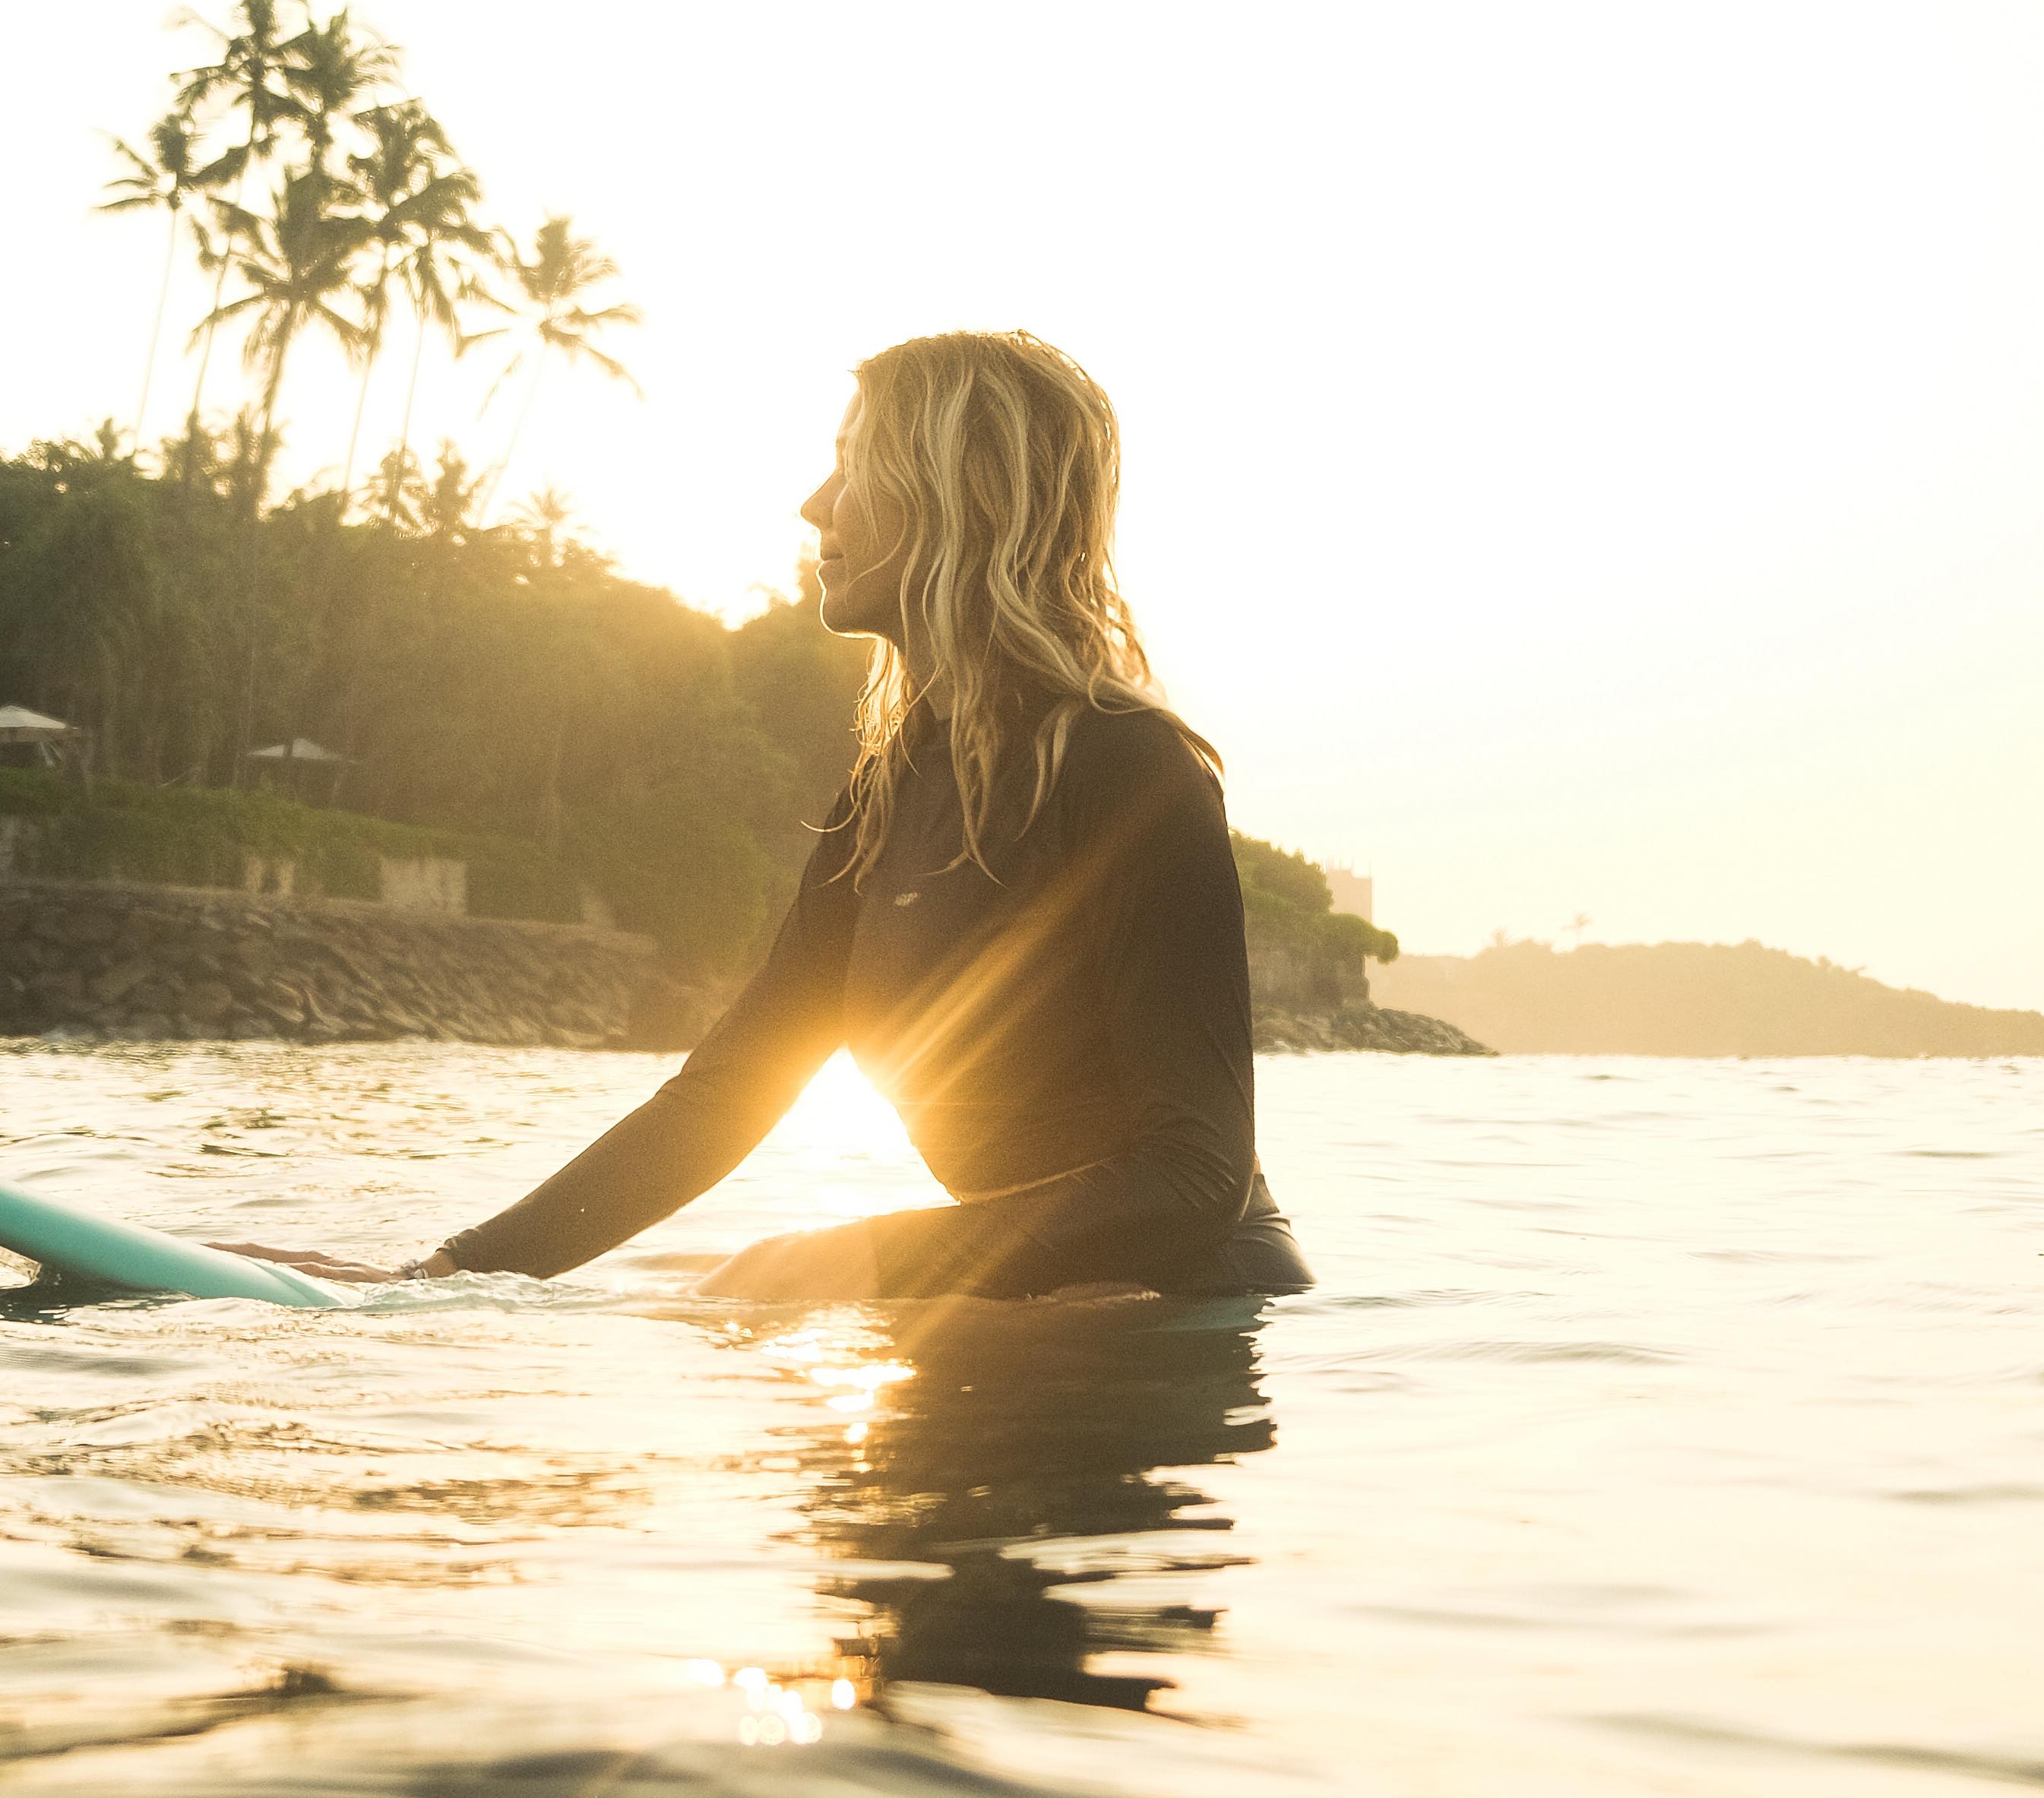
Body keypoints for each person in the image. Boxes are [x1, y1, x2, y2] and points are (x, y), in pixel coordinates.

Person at [260, 329, 1311, 1306]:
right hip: (1024, 1311)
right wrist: (442, 1273)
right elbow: (725, 1095)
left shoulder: (1130, 770)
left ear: (963, 498)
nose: (816, 505)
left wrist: (851, 1257)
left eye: (857, 467)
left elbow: (1195, 1177)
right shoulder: (891, 790)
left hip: (1193, 1324)